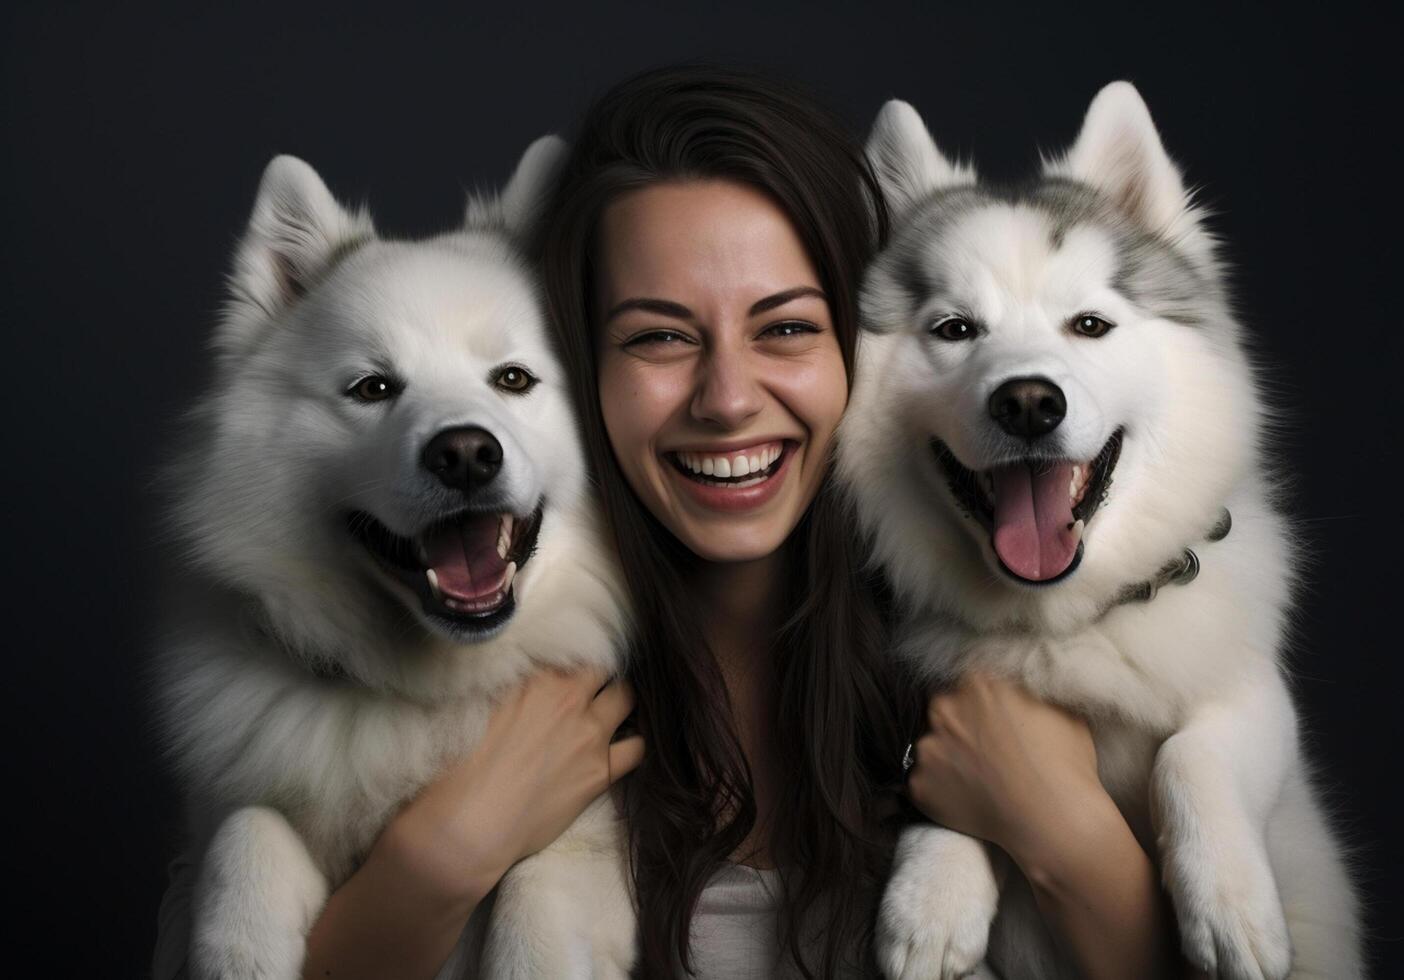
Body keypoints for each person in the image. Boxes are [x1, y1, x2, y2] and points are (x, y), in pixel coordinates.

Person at [158, 65, 1181, 980]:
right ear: (578, 366)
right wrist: (437, 861)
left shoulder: (1036, 683)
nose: (728, 397)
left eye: (785, 326)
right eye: (658, 337)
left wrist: (1069, 839)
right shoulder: (408, 727)